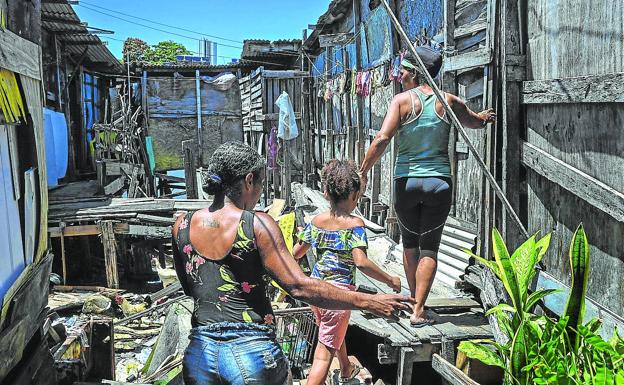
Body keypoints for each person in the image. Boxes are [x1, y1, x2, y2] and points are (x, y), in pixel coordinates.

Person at [171, 141, 413, 385]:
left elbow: (190, 288)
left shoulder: (181, 225)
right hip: (250, 355)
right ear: (248, 181)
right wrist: (369, 301)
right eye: (261, 183)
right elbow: (299, 286)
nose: (261, 192)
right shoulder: (257, 224)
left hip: (200, 354)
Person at [359, 47, 496, 327]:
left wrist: (363, 172)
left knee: (410, 245)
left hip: (406, 183)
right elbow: (475, 122)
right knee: (430, 249)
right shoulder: (450, 102)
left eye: (405, 70)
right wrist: (485, 116)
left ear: (416, 71)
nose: (401, 75)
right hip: (439, 183)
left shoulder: (401, 102)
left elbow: (383, 138)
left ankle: (413, 306)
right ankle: (419, 309)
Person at [292, 160, 402, 385]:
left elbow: (296, 252)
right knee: (323, 355)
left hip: (315, 290)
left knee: (330, 333)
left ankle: (345, 368)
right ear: (354, 195)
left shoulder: (317, 221)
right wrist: (390, 279)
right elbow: (360, 263)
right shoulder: (354, 224)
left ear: (326, 193)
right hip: (339, 296)